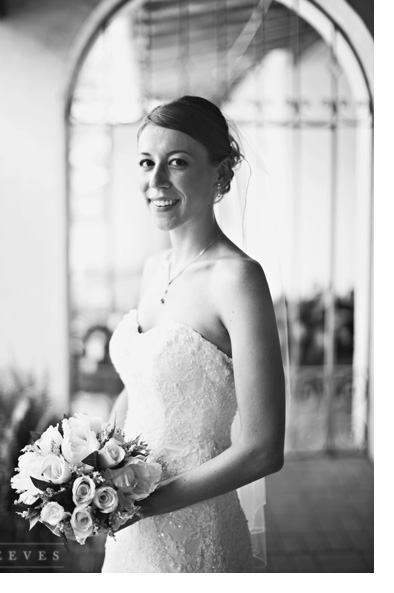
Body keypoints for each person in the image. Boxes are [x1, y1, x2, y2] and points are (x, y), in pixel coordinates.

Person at [102, 96, 285, 572]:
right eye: (147, 162)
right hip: (127, 528)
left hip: (195, 528)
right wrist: (94, 461)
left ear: (220, 174)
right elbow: (140, 385)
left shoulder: (239, 279)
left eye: (177, 163)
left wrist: (143, 505)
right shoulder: (152, 269)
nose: (156, 181)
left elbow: (263, 449)